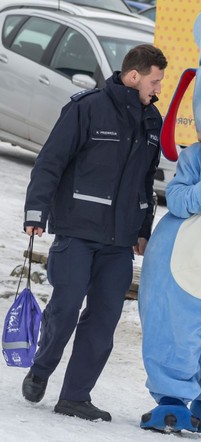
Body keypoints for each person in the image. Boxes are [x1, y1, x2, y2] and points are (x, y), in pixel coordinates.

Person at [21, 43, 168, 422]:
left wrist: (143, 230)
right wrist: (36, 211)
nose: (158, 89)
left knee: (103, 321)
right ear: (134, 76)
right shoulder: (86, 108)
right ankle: (42, 366)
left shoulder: (153, 121)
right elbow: (50, 162)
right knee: (66, 307)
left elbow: (146, 183)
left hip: (119, 242)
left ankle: (75, 396)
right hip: (77, 230)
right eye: (154, 81)